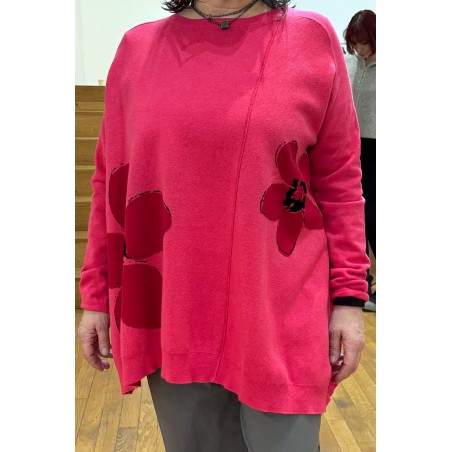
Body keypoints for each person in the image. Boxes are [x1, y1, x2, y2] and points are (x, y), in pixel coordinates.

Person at [77, 1, 370, 451]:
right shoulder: (138, 49)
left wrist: (349, 297)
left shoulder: (312, 38)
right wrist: (96, 294)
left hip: (281, 308)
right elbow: (111, 181)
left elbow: (339, 182)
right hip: (173, 307)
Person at [343, 10, 376, 312]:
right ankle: (362, 282)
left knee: (376, 217)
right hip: (351, 145)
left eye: (364, 42)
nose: (360, 49)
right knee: (358, 216)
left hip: (378, 146)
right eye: (355, 43)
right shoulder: (348, 62)